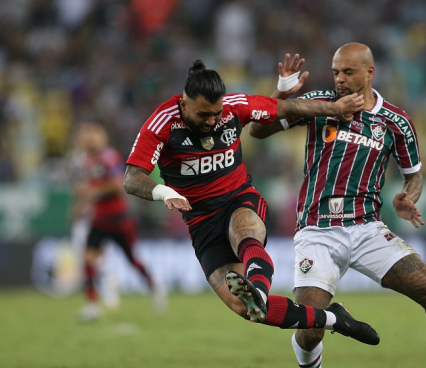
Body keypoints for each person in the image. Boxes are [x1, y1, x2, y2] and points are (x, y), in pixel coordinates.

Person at [249, 45, 426, 368]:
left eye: (348, 72)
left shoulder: (395, 121)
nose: (338, 79)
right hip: (318, 231)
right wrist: (282, 94)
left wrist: (407, 197)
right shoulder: (320, 103)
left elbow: (413, 174)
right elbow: (259, 129)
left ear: (370, 73)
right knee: (310, 327)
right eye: (335, 71)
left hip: (367, 228)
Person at [124, 60, 380, 345]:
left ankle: (257, 289)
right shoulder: (163, 122)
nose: (211, 121)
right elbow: (132, 178)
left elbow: (284, 109)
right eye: (203, 114)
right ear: (184, 105)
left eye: (216, 113)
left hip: (239, 198)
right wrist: (164, 192)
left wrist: (334, 108)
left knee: (244, 235)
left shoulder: (235, 106)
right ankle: (335, 318)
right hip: (200, 222)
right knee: (244, 308)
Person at [73, 122, 164, 322]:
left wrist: (93, 192)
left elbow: (117, 184)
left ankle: (154, 287)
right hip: (99, 219)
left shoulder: (109, 158)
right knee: (88, 258)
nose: (89, 141)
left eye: (92, 136)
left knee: (132, 259)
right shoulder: (86, 162)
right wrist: (80, 205)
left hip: (118, 218)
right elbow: (86, 189)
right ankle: (92, 305)